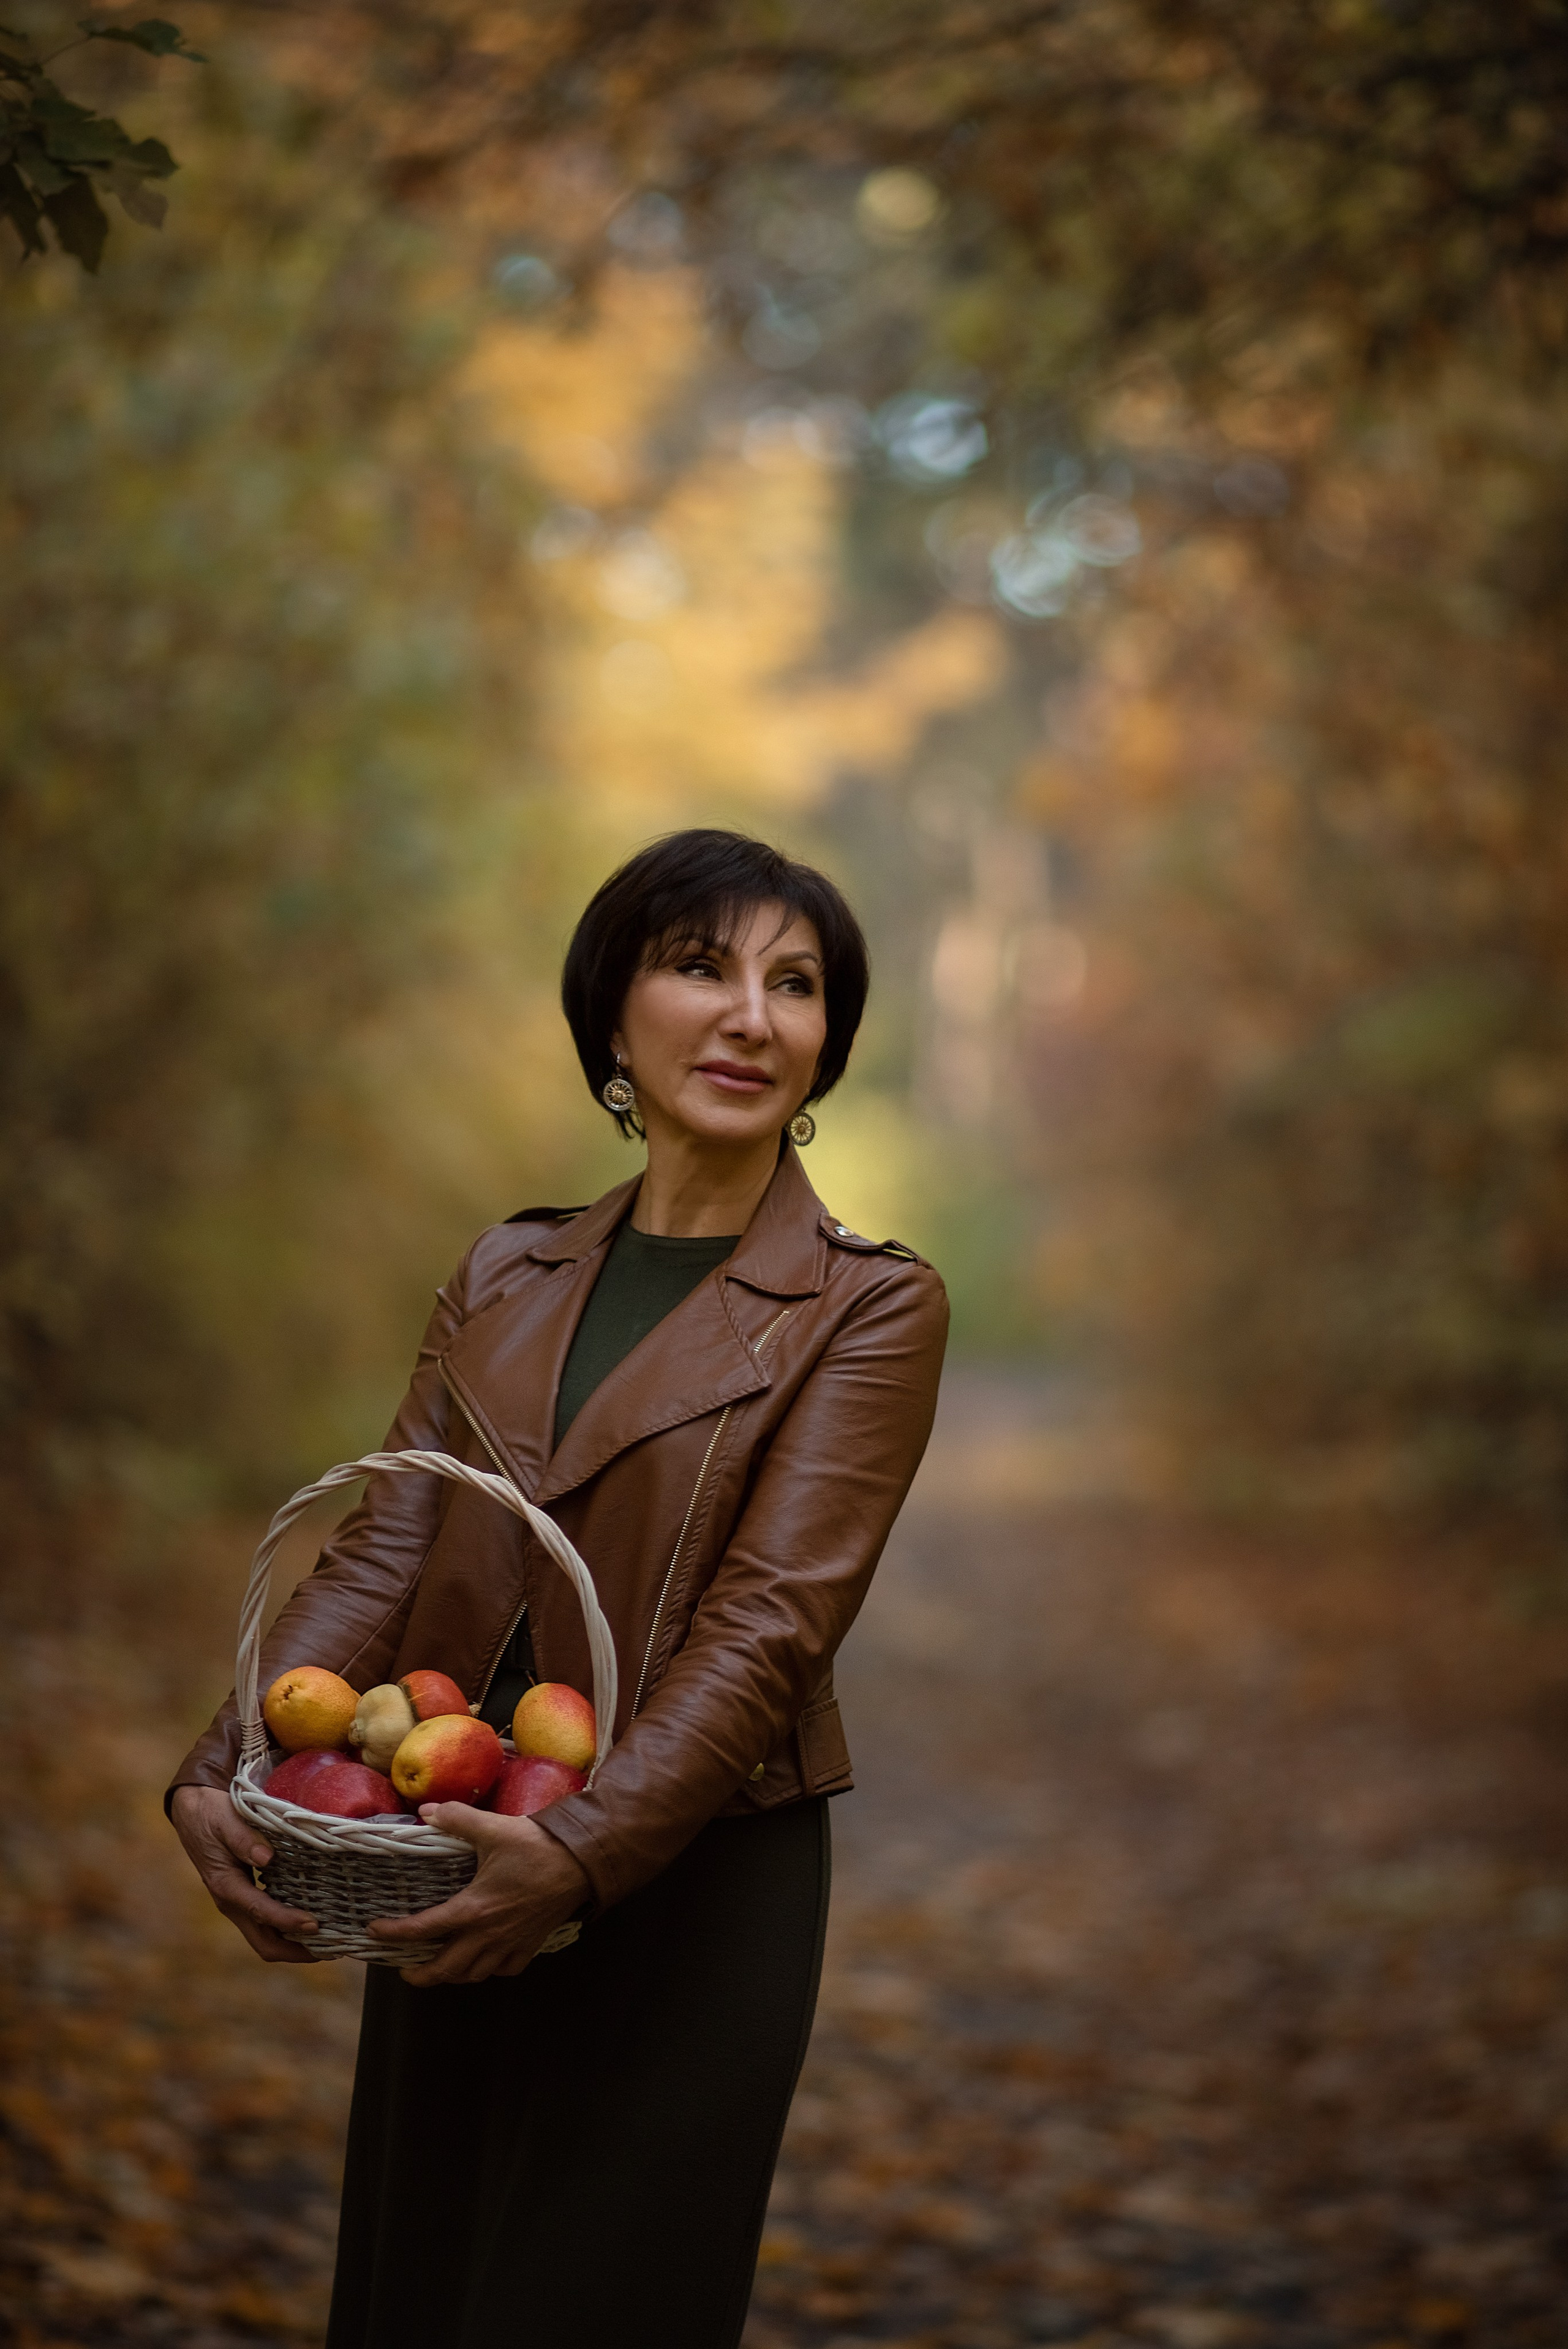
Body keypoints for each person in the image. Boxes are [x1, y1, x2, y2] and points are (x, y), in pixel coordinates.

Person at [167, 828, 949, 2349]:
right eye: (697, 965)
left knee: (595, 2305)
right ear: (613, 1015)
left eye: (794, 986)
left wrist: (580, 1852)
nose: (750, 1015)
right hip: (447, 1844)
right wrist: (223, 1771)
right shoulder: (505, 1272)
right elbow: (386, 1547)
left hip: (690, 1873)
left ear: (825, 1046)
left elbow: (770, 1623)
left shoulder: (870, 1302)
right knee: (423, 2292)